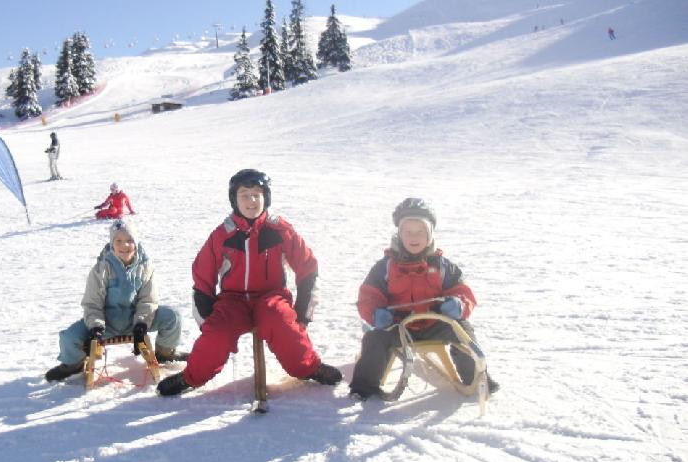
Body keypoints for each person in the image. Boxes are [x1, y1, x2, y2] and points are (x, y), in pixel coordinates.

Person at [156, 169, 342, 396]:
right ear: (234, 200)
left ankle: (308, 368)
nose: (251, 200)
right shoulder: (222, 235)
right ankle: (191, 376)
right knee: (217, 333)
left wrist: (302, 312)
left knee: (281, 320)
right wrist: (207, 318)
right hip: (233, 300)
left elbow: (307, 268)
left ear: (266, 198)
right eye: (244, 195)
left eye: (257, 194)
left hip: (271, 295)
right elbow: (202, 276)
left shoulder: (280, 229)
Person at [348, 198, 499, 399]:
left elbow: (463, 291)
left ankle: (477, 377)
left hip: (435, 323)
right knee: (375, 339)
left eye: (420, 231)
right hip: (398, 326)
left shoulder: (443, 267)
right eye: (408, 231)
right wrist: (376, 314)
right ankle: (363, 388)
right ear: (399, 234)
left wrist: (458, 305)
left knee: (463, 331)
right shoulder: (385, 267)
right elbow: (368, 295)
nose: (414, 237)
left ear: (429, 234)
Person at [45, 218, 184, 382]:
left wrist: (141, 325)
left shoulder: (145, 267)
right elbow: (92, 303)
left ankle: (165, 353)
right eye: (119, 241)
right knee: (69, 337)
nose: (125, 246)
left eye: (129, 240)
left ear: (136, 242)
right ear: (112, 243)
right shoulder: (101, 269)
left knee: (172, 316)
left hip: (135, 322)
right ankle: (73, 364)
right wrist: (96, 327)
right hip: (106, 325)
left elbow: (148, 301)